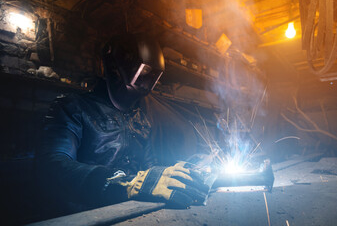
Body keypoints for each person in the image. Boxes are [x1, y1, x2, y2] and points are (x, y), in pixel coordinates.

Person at [36, 34, 209, 213]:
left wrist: (176, 172)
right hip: (86, 213)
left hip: (129, 211)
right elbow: (52, 166)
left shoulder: (140, 117)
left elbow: (148, 168)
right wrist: (126, 183)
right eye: (142, 73)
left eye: (151, 77)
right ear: (114, 70)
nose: (144, 84)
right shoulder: (72, 108)